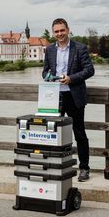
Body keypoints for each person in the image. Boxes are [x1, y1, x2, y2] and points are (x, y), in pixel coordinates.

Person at [42, 18, 95, 181]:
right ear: (53, 33)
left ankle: (84, 168)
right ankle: (54, 165)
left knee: (79, 132)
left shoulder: (80, 48)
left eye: (62, 30)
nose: (59, 34)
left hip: (74, 95)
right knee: (52, 132)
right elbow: (45, 72)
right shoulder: (50, 49)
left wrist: (71, 78)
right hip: (54, 96)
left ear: (68, 30)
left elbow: (89, 70)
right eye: (56, 31)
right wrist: (49, 77)